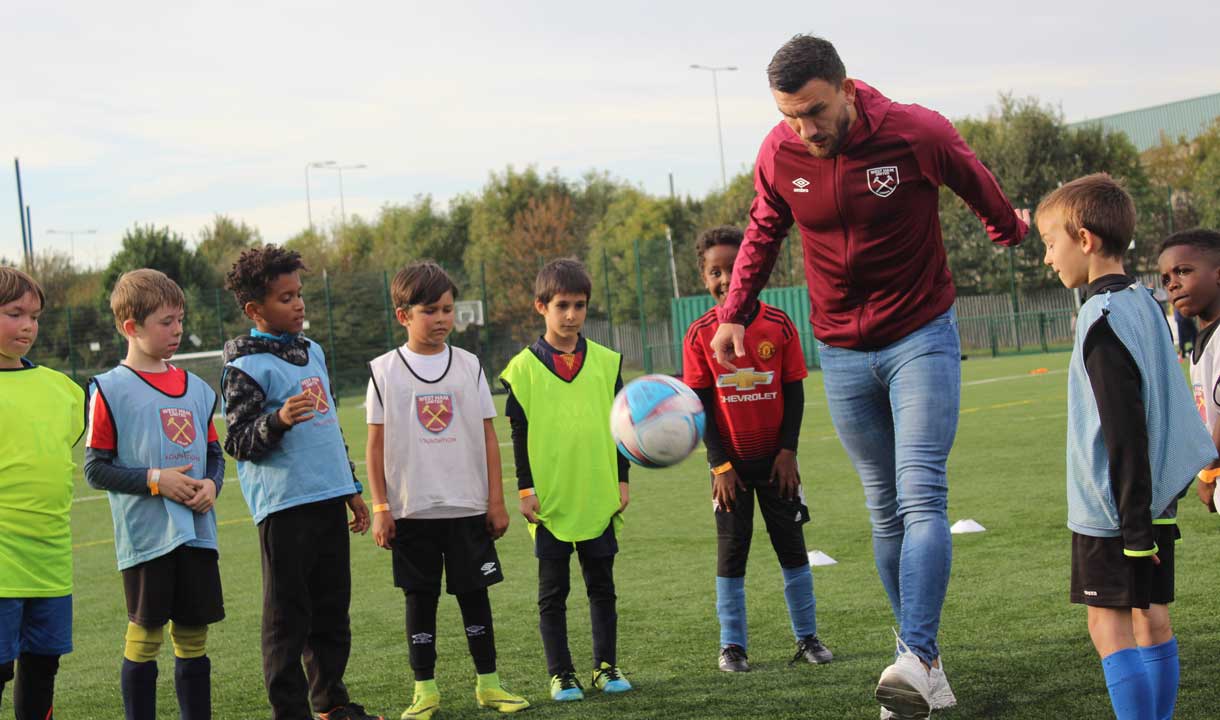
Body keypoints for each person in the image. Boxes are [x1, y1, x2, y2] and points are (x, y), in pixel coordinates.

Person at [706, 34, 1029, 718]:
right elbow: (763, 229)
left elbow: (976, 181)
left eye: (816, 111)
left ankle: (912, 655)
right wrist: (734, 311)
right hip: (843, 352)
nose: (805, 129)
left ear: (847, 89)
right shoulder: (779, 151)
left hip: (921, 336)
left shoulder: (917, 131)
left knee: (921, 494)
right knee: (883, 507)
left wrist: (1011, 230)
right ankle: (925, 666)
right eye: (791, 116)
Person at [1040, 174, 1213, 720]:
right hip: (1151, 501)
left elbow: (1124, 428)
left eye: (1050, 243)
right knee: (1151, 617)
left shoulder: (1102, 317)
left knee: (1107, 623)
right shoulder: (1146, 304)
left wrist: (1134, 530)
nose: (1048, 258)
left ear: (1085, 240)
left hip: (1116, 511)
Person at [221, 245, 382, 720]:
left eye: (299, 293)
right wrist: (279, 420)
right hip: (284, 506)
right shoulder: (243, 366)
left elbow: (329, 425)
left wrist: (350, 488)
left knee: (332, 612)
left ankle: (331, 704)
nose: (298, 304)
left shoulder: (313, 351)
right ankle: (289, 712)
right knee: (287, 618)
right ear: (255, 310)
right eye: (285, 297)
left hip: (327, 497)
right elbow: (238, 442)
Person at [366, 261, 528, 719]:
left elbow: (488, 436)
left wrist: (495, 500)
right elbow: (375, 447)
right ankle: (425, 690)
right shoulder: (384, 371)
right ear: (403, 315)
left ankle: (490, 685)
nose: (440, 319)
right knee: (420, 599)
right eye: (429, 311)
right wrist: (381, 507)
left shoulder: (470, 365)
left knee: (475, 595)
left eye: (447, 310)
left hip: (467, 505)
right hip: (411, 509)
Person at [681, 226, 831, 673]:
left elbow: (795, 392)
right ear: (703, 278)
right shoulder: (699, 335)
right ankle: (732, 647)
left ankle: (807, 638)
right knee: (731, 553)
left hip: (778, 464)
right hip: (729, 467)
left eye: (734, 268)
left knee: (792, 548)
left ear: (753, 270)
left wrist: (788, 452)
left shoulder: (779, 325)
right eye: (715, 271)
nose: (726, 279)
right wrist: (720, 464)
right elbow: (700, 404)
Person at [84, 269, 224, 720]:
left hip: (198, 533)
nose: (178, 329)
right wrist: (155, 479)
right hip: (147, 538)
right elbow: (95, 469)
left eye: (180, 319)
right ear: (132, 328)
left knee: (193, 637)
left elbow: (213, 455)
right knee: (145, 639)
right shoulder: (109, 389)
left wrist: (211, 485)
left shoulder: (198, 390)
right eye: (166, 321)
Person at [500, 258, 632, 702]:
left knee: (602, 588)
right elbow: (518, 433)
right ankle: (561, 673)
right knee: (553, 592)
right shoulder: (522, 368)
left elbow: (622, 426)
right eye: (562, 305)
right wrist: (525, 488)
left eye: (579, 305)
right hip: (552, 498)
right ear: (541, 306)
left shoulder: (607, 362)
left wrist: (622, 480)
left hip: (597, 491)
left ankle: (606, 667)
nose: (571, 314)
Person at [0, 267, 84, 720]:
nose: (28, 326)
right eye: (15, 314)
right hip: (1, 559)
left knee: (42, 663)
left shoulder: (62, 391)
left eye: (34, 316)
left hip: (49, 557)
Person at [1158, 228, 1220, 513]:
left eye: (1183, 271)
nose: (1172, 284)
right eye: (1166, 279)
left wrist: (1209, 472)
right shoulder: (1205, 337)